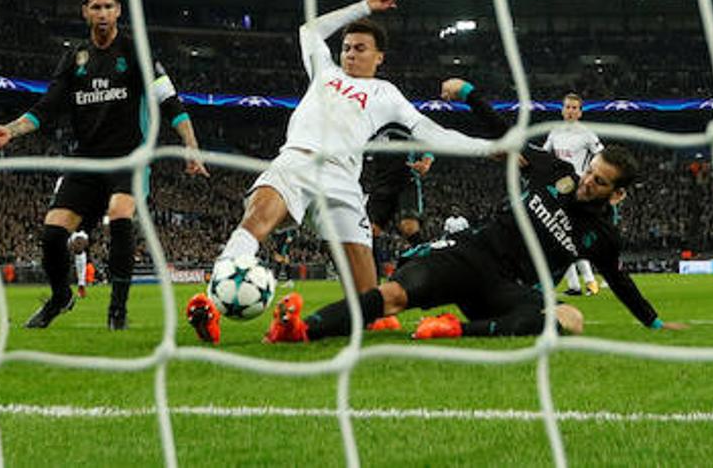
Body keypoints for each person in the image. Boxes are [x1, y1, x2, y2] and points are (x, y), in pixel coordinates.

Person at [262, 78, 685, 342]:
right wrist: (470, 95)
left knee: (570, 317)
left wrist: (653, 323)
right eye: (592, 172)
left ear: (617, 195)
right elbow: (508, 135)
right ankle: (302, 329)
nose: (588, 181)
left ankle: (456, 329)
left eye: (600, 182)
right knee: (391, 297)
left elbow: (620, 280)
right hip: (471, 254)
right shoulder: (558, 174)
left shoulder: (604, 238)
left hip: (507, 288)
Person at [185, 0, 495, 345]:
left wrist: (487, 149)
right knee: (256, 220)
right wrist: (364, 7)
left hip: (343, 180)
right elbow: (309, 31)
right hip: (297, 159)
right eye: (346, 47)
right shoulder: (324, 71)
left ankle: (317, 323)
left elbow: (430, 131)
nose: (349, 53)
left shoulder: (386, 94)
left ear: (379, 57)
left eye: (360, 48)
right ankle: (209, 308)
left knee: (370, 301)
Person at [0, 0, 205, 332]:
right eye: (95, 7)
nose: (102, 13)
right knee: (52, 234)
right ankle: (60, 297)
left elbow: (170, 100)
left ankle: (117, 311)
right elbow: (46, 107)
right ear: (85, 12)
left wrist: (190, 145)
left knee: (119, 215)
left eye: (108, 7)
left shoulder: (135, 51)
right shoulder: (74, 59)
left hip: (128, 158)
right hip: (86, 160)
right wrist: (11, 130)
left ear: (118, 12)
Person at [545, 92, 604, 296]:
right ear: (562, 110)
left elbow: (601, 156)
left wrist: (591, 178)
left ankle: (588, 281)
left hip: (577, 191)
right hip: (558, 190)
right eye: (567, 107)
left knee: (570, 237)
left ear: (580, 112)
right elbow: (545, 156)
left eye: (574, 108)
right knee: (559, 238)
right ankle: (575, 285)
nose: (570, 111)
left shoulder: (587, 134)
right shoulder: (554, 133)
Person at [363, 141, 433, 278]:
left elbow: (427, 141)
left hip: (406, 180)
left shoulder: (408, 124)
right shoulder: (375, 126)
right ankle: (373, 282)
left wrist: (426, 162)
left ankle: (429, 269)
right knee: (370, 233)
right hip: (381, 183)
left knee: (409, 227)